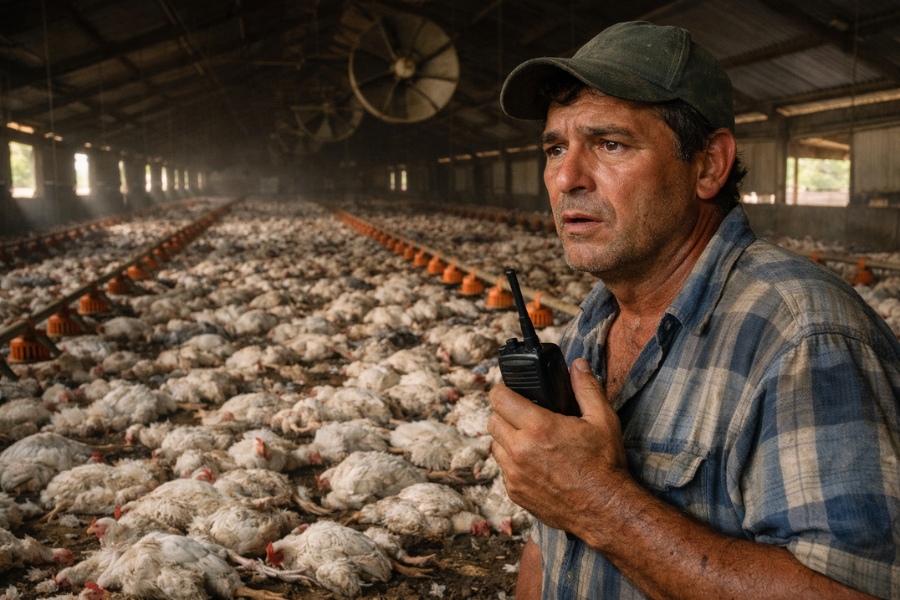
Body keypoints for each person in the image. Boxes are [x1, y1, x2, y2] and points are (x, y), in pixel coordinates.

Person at [489, 20, 900, 600]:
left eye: (610, 144)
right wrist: (570, 497)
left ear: (708, 165)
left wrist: (600, 502)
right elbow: (553, 538)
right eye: (556, 148)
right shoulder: (596, 317)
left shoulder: (803, 339)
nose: (566, 178)